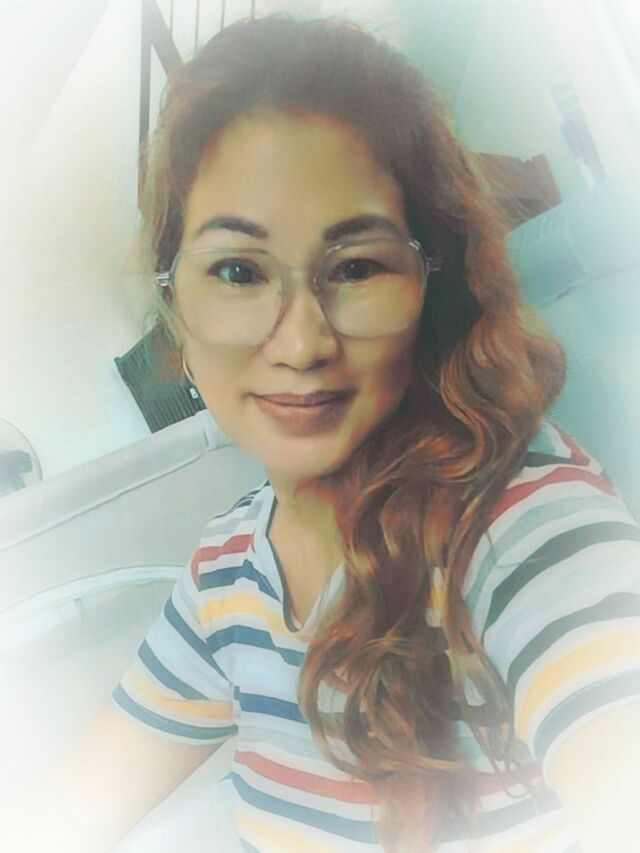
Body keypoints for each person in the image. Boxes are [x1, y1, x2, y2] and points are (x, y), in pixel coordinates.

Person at [5, 12, 640, 853]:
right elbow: (63, 816)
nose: (301, 342)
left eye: (356, 267)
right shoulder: (226, 570)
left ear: (429, 285)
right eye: (239, 271)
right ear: (175, 307)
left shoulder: (526, 531)